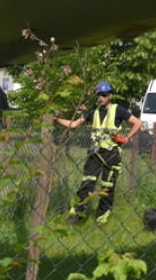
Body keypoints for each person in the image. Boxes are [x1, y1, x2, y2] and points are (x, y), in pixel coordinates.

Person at [54, 80, 141, 225]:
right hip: (95, 153)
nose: (100, 98)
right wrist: (55, 120)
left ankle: (102, 218)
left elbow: (137, 123)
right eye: (99, 95)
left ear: (110, 96)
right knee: (86, 184)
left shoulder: (118, 110)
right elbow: (74, 124)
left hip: (112, 153)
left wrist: (126, 138)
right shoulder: (92, 111)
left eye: (104, 95)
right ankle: (76, 216)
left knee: (107, 186)